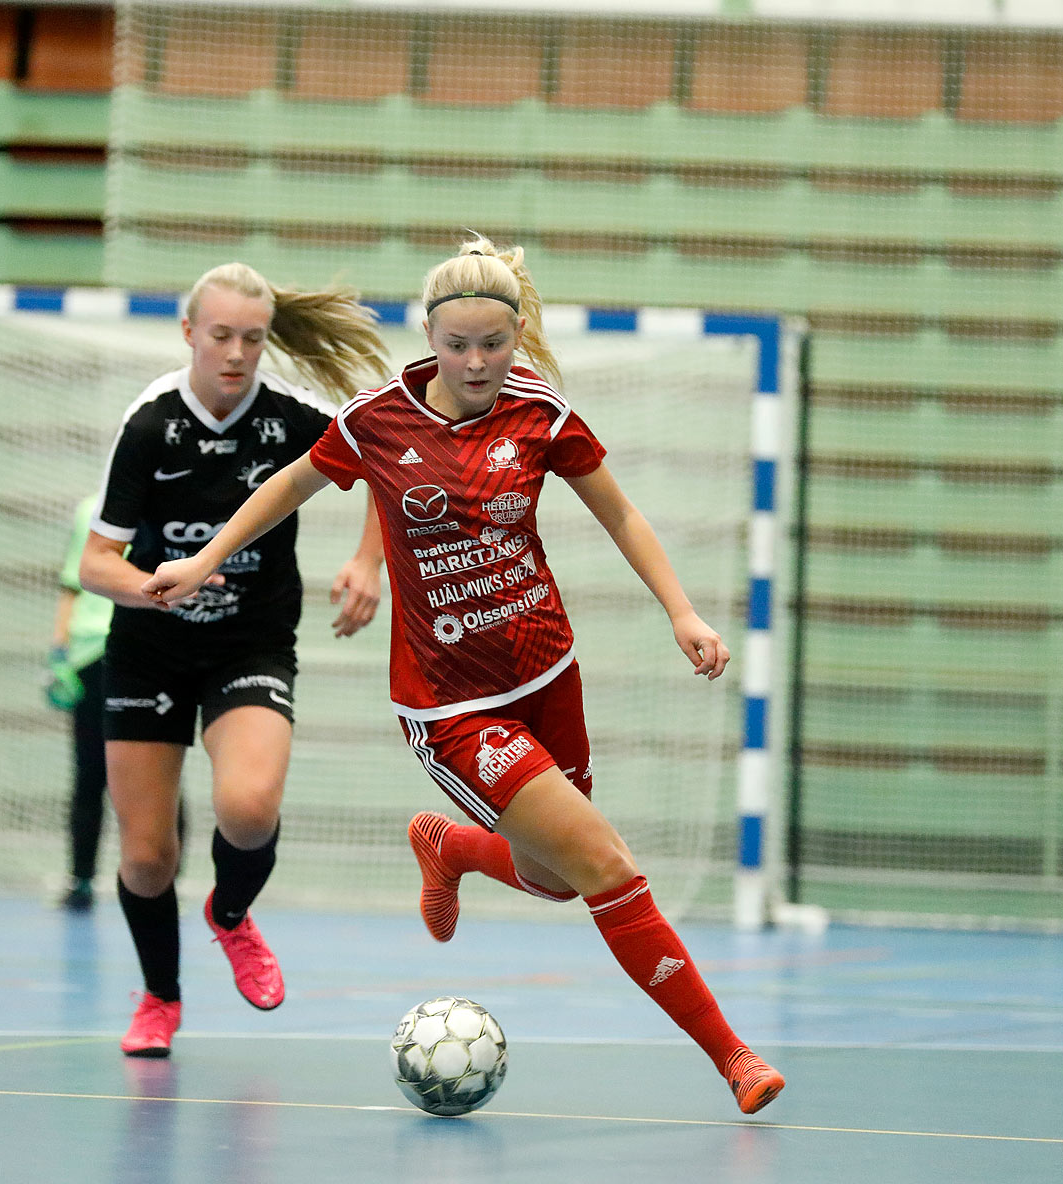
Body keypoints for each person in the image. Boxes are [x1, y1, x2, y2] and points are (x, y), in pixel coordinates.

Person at [139, 237, 787, 1113]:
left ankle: (452, 847)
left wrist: (682, 611)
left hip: (548, 672)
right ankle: (735, 1057)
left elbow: (622, 513)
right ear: (430, 337)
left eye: (494, 344)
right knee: (603, 863)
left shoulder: (542, 416)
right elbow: (289, 485)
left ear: (517, 333)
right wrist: (207, 556)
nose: (477, 363)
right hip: (451, 705)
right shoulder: (379, 420)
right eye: (457, 346)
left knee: (557, 876)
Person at [79, 262, 388, 1057]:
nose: (237, 353)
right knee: (147, 859)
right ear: (189, 333)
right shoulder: (150, 425)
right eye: (221, 335)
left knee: (248, 809)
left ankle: (228, 914)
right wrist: (156, 588)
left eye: (253, 338)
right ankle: (160, 996)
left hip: (248, 646)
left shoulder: (291, 420)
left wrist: (367, 564)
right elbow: (94, 565)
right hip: (148, 651)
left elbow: (393, 466)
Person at [46, 493, 116, 911]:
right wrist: (59, 652)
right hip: (91, 653)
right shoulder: (90, 508)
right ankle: (82, 879)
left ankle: (164, 881)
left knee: (158, 772)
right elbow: (72, 582)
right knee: (89, 772)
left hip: (147, 647)